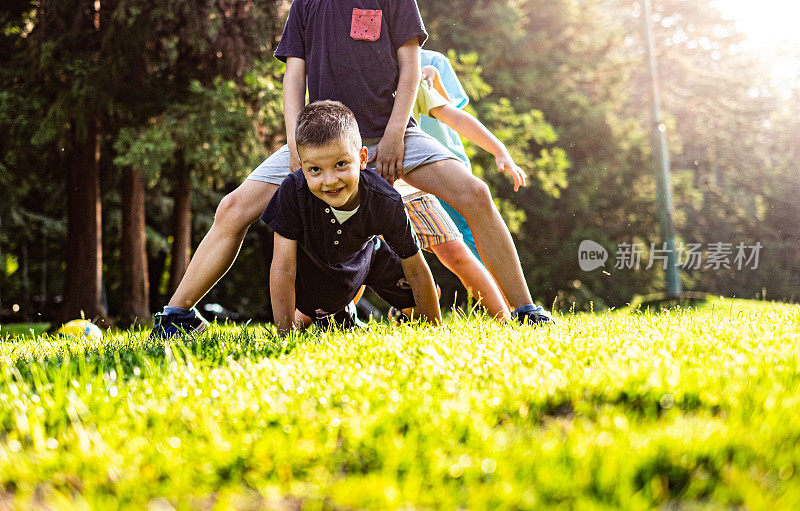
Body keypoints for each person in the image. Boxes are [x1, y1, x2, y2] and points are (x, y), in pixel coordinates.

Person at [151, 0, 551, 338]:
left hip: (390, 133)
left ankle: (524, 310)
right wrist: (295, 145)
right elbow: (294, 76)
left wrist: (396, 133)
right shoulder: (307, 3)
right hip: (322, 145)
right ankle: (177, 315)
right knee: (233, 208)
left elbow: (410, 66)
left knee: (476, 194)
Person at [264, 101, 440, 333]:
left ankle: (396, 312)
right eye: (315, 169)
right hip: (322, 273)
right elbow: (284, 268)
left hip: (369, 254)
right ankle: (341, 314)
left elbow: (416, 269)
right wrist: (283, 335)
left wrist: (434, 331)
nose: (330, 180)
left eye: (340, 164)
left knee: (427, 294)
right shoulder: (293, 192)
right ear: (301, 166)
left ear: (362, 158)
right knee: (315, 314)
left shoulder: (385, 200)